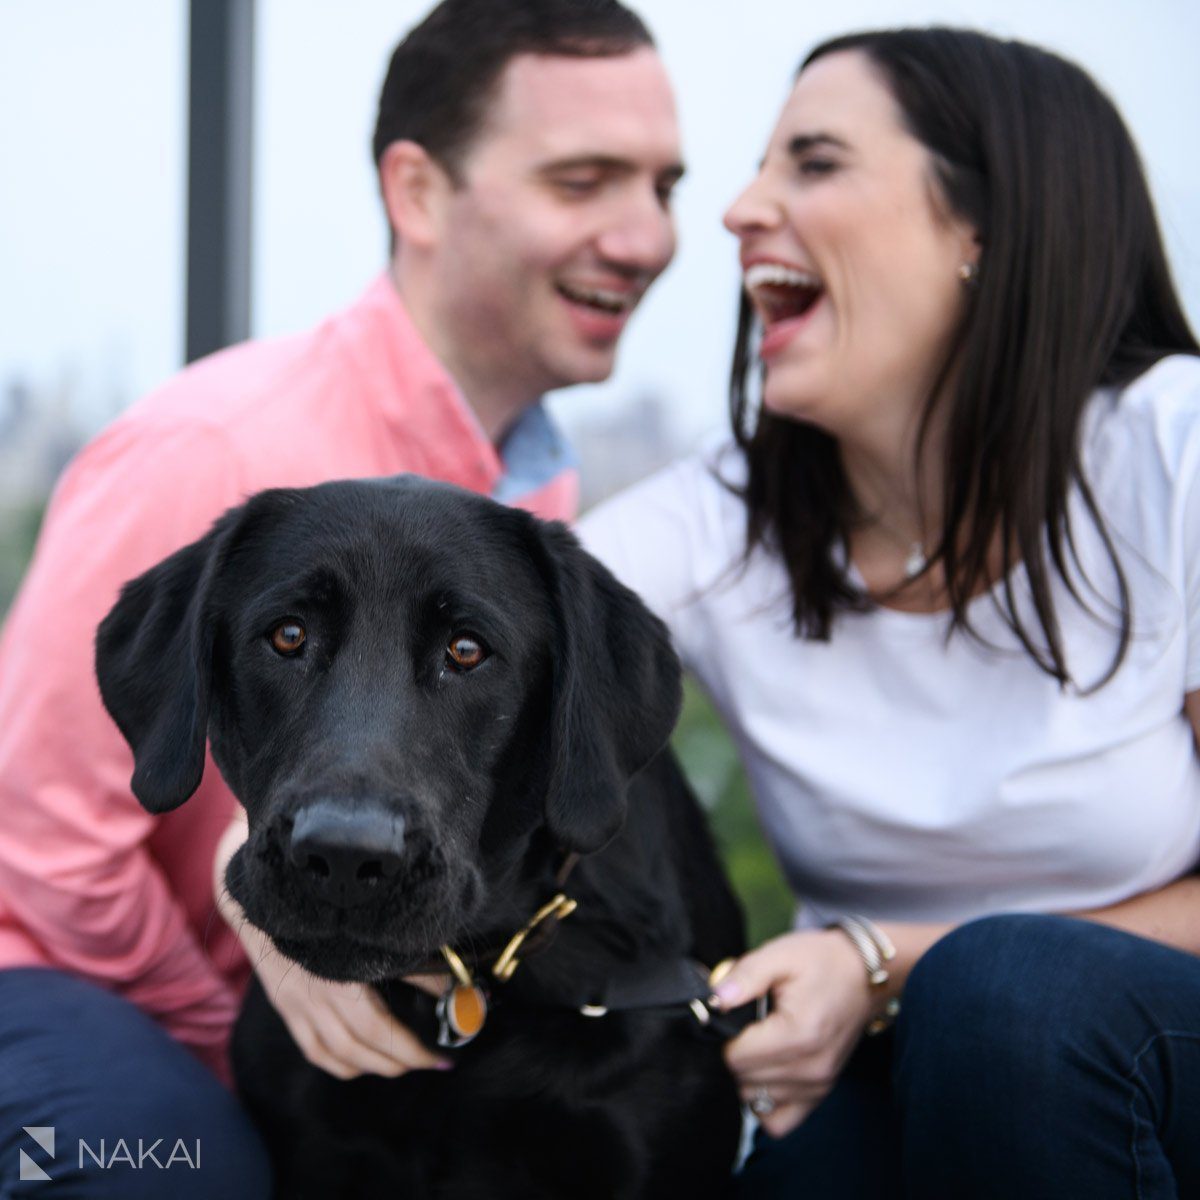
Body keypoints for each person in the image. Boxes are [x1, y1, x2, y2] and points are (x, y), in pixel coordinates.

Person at [0, 0, 681, 1193]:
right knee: (181, 1175)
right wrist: (262, 1039)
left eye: (663, 188)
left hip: (368, 999)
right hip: (77, 997)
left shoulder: (537, 497)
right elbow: (35, 858)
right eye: (583, 181)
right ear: (416, 193)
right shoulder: (211, 448)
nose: (643, 236)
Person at [578, 27, 1200, 1199]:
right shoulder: (720, 522)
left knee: (1009, 994)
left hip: (1142, 1047)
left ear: (985, 230)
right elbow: (486, 629)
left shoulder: (1175, 453)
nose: (738, 209)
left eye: (814, 163)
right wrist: (267, 871)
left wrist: (887, 961)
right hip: (891, 1067)